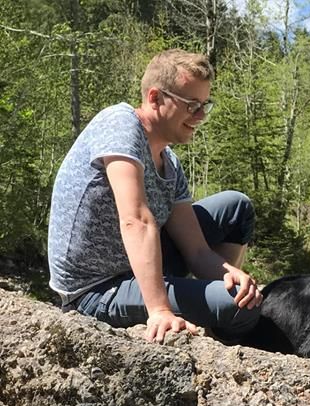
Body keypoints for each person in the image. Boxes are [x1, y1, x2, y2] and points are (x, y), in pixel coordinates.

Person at [47, 49, 262, 343]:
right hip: (96, 290)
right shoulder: (119, 125)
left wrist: (227, 273)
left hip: (141, 265)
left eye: (205, 105)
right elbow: (136, 219)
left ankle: (210, 310)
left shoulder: (169, 162)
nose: (200, 116)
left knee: (236, 209)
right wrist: (159, 309)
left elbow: (197, 252)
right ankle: (210, 317)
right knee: (241, 309)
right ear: (154, 98)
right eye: (191, 105)